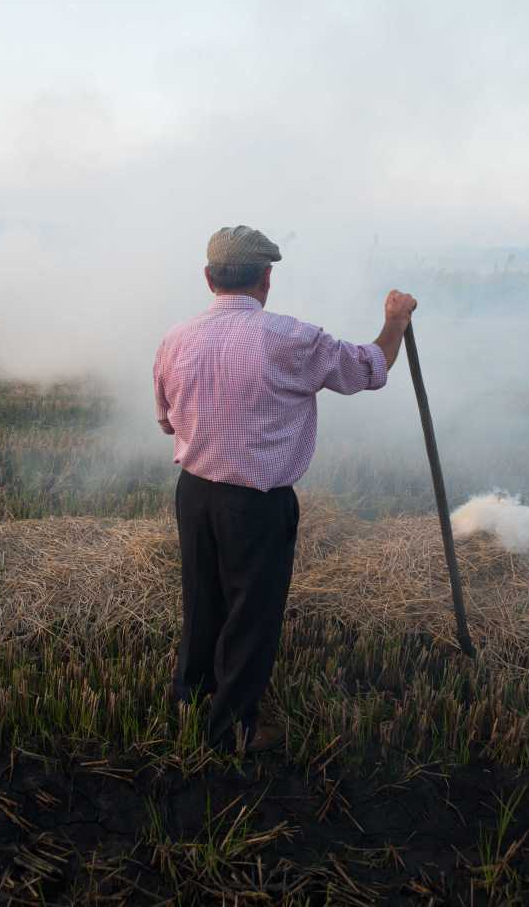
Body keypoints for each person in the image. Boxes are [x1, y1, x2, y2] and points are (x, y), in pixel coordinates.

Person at [153, 225, 416, 752]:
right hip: (256, 503)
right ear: (266, 279)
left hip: (195, 494)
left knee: (201, 600)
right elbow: (368, 368)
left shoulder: (175, 339)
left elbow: (166, 421)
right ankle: (233, 731)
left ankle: (193, 698)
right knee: (251, 613)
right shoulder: (292, 338)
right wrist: (395, 322)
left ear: (209, 278)